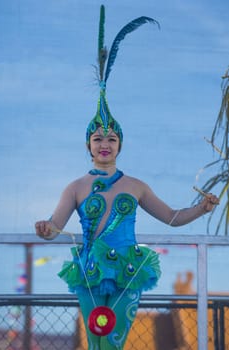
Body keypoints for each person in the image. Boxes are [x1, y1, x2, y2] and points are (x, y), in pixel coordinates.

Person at [35, 6, 219, 350]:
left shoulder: (135, 186)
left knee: (114, 343)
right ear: (88, 145)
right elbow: (55, 226)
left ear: (120, 144)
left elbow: (172, 218)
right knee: (96, 343)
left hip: (128, 273)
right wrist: (46, 230)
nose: (105, 144)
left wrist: (202, 208)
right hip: (89, 273)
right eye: (98, 139)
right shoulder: (75, 187)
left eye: (111, 138)